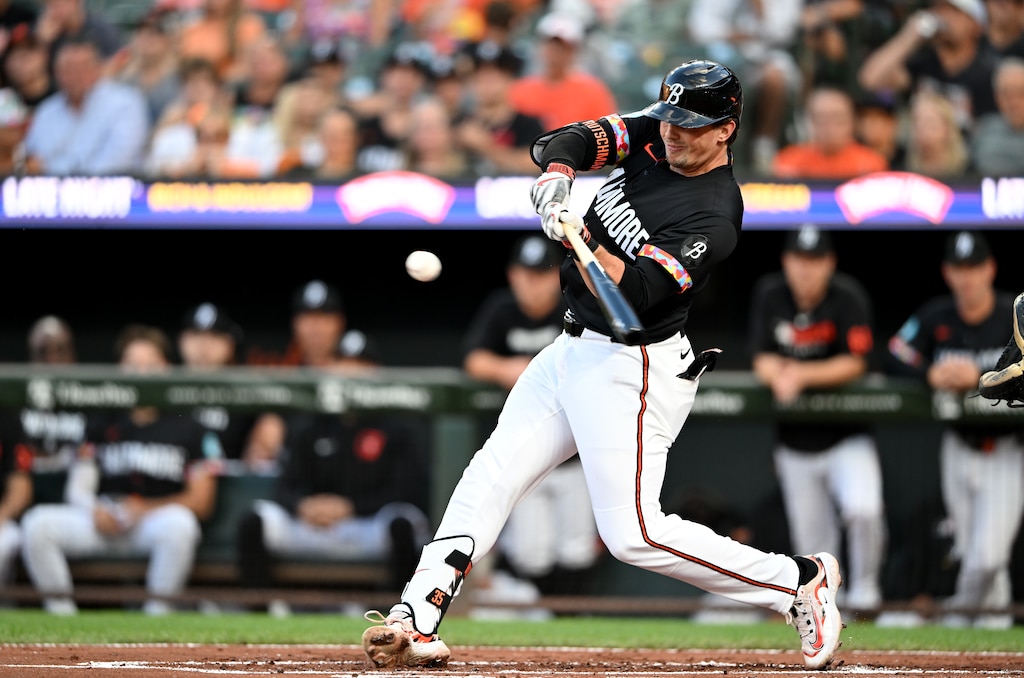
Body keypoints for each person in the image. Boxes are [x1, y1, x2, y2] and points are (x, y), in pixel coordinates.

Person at [361, 59, 844, 671]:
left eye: (690, 125)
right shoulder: (655, 132)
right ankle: (416, 615)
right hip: (571, 349)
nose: (671, 132)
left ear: (726, 130)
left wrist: (581, 242)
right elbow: (561, 142)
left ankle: (796, 581)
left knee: (634, 534)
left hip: (634, 367)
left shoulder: (712, 213)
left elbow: (638, 296)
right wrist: (559, 180)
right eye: (669, 117)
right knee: (492, 472)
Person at [20, 325, 220, 616]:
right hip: (103, 520)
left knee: (182, 525)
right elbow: (77, 489)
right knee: (37, 524)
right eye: (133, 364)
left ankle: (156, 616)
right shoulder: (100, 420)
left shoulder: (191, 424)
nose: (141, 373)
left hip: (151, 523)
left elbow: (202, 502)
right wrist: (94, 509)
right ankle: (62, 617)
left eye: (151, 364)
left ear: (166, 368)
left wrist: (146, 508)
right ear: (119, 369)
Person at [886, 231, 1024, 628]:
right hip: (957, 447)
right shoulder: (936, 315)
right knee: (970, 551)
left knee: (988, 558)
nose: (967, 278)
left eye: (974, 268)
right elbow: (894, 354)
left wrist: (982, 377)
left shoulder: (1013, 316)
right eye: (959, 269)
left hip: (1004, 450)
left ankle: (955, 617)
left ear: (990, 269)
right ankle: (989, 637)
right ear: (948, 273)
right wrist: (929, 371)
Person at [749, 225, 887, 615]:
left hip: (847, 436)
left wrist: (800, 375)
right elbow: (760, 357)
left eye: (814, 261)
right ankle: (825, 613)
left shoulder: (847, 297)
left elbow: (856, 361)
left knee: (863, 509)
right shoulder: (770, 294)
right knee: (812, 545)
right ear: (786, 262)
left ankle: (867, 595)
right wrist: (778, 375)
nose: (805, 270)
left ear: (829, 263)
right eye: (799, 260)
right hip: (794, 443)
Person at [462, 234, 600, 598]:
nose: (531, 282)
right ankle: (536, 627)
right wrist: (508, 367)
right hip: (526, 452)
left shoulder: (576, 303)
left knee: (577, 549)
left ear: (556, 276)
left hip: (575, 454)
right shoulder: (501, 308)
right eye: (525, 273)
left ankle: (567, 629)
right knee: (531, 553)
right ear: (513, 275)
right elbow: (473, 358)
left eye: (540, 274)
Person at [234, 409, 432, 601]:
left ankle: (400, 612)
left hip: (366, 526)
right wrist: (303, 506)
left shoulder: (395, 425)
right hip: (313, 526)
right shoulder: (310, 424)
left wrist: (351, 507)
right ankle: (259, 609)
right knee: (257, 519)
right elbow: (283, 488)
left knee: (402, 522)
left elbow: (406, 491)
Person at [858, 0, 998, 135]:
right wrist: (910, 36)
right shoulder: (923, 63)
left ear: (977, 25)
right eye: (940, 9)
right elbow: (870, 79)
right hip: (920, 154)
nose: (945, 16)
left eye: (955, 12)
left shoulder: (988, 72)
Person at [22, 38, 149, 176]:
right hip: (50, 193)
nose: (74, 76)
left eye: (82, 68)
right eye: (67, 69)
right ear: (56, 72)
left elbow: (118, 161)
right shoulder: (46, 111)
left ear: (98, 68)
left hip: (113, 192)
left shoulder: (125, 102)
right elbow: (32, 160)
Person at [508, 12, 617, 132]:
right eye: (551, 46)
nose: (555, 53)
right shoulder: (520, 90)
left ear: (574, 51)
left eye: (562, 48)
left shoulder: (594, 91)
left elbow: (607, 135)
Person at [455, 41, 544, 177]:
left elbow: (535, 165)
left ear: (509, 80)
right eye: (480, 77)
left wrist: (485, 146)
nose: (486, 84)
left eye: (494, 77)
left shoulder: (528, 124)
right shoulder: (461, 122)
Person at [771, 86, 889, 180]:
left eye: (837, 118)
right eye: (820, 118)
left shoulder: (872, 165)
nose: (829, 127)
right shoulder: (789, 162)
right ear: (808, 122)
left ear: (852, 122)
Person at [971, 57, 1024, 177]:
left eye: (1021, 93)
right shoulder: (983, 130)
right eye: (1006, 94)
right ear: (997, 97)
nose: (1014, 102)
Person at [902, 89, 970, 177]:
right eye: (917, 121)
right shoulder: (903, 173)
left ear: (947, 128)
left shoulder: (968, 174)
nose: (921, 128)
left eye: (929, 121)